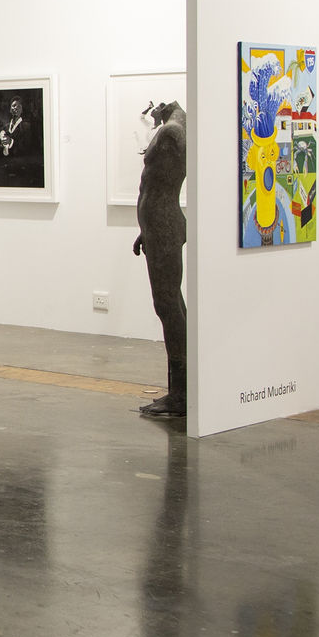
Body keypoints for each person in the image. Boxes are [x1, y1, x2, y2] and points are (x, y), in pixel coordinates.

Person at [134, 101, 188, 419]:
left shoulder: (171, 132)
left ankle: (180, 394)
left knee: (168, 306)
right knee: (171, 304)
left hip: (163, 224)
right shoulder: (178, 128)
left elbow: (160, 188)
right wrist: (146, 231)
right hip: (158, 226)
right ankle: (181, 389)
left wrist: (152, 228)